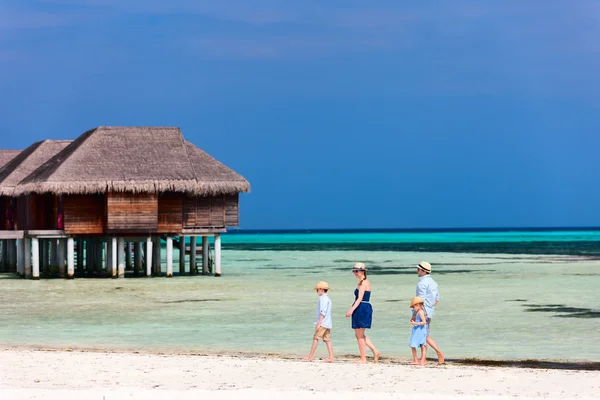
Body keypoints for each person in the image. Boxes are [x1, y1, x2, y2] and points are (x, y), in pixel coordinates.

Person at [346, 262, 381, 364]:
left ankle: (363, 358)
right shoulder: (362, 282)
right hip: (361, 307)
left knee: (359, 335)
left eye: (357, 271)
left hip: (362, 307)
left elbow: (360, 299)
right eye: (354, 271)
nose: (355, 273)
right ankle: (375, 351)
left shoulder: (364, 283)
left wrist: (351, 310)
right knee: (359, 334)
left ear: (363, 271)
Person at [415, 261, 445, 364]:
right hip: (429, 312)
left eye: (418, 269)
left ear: (423, 271)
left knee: (424, 336)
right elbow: (437, 299)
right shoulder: (433, 282)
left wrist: (416, 313)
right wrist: (429, 308)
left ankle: (438, 353)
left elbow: (420, 300)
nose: (416, 271)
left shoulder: (421, 283)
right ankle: (423, 358)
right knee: (424, 335)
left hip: (422, 312)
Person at [303, 281, 334, 362]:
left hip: (323, 322)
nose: (317, 291)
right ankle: (331, 357)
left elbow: (322, 312)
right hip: (328, 323)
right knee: (327, 340)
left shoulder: (323, 298)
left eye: (317, 290)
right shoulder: (328, 298)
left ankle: (310, 356)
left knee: (316, 338)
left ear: (321, 289)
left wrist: (319, 323)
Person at [409, 296, 428, 365]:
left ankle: (420, 360)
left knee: (420, 344)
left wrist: (415, 323)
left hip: (420, 330)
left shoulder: (420, 312)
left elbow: (424, 322)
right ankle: (416, 360)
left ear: (419, 305)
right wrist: (412, 320)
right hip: (416, 329)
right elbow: (414, 318)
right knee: (415, 344)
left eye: (415, 306)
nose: (414, 307)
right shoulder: (415, 311)